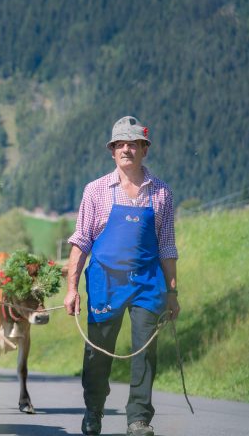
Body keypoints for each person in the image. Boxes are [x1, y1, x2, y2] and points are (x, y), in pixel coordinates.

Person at [63, 116, 180, 436]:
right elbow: (81, 240)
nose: (126, 149)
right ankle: (94, 408)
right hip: (105, 281)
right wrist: (72, 288)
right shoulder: (96, 190)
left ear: (144, 149)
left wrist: (172, 293)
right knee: (98, 349)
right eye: (120, 144)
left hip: (147, 282)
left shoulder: (162, 193)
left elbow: (167, 245)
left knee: (145, 350)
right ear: (112, 151)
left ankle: (139, 417)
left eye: (133, 144)